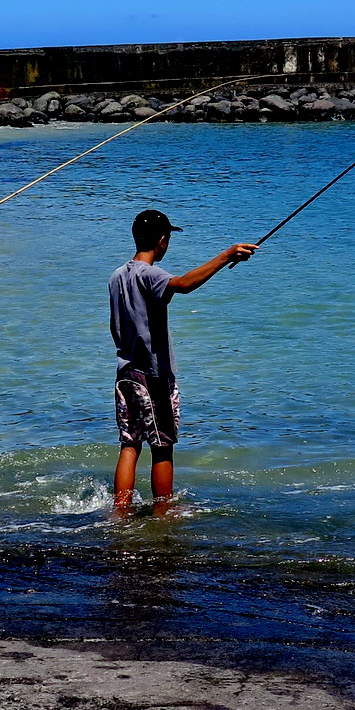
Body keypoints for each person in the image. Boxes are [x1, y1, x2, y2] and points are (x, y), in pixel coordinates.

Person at [109, 209, 258, 512]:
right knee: (162, 447)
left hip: (125, 372)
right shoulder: (149, 274)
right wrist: (226, 256)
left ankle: (120, 511)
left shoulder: (116, 276)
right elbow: (183, 284)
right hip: (152, 375)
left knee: (130, 444)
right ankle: (163, 514)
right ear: (162, 241)